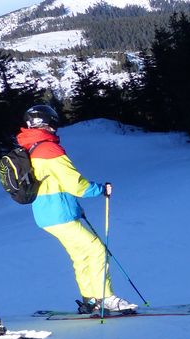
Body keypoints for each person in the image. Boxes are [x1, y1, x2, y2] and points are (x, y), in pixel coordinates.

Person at [15, 105, 137, 313]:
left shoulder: (31, 147)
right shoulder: (48, 149)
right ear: (48, 122)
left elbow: (53, 183)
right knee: (97, 250)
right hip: (58, 213)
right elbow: (76, 185)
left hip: (47, 214)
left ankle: (90, 299)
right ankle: (105, 297)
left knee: (81, 254)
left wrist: (75, 207)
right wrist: (101, 189)